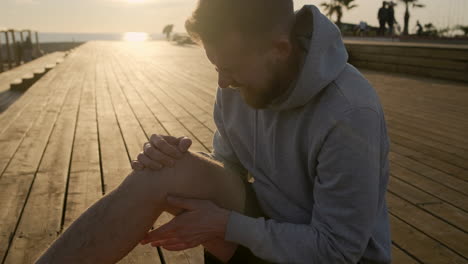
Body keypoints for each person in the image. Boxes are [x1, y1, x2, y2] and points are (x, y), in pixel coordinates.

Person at [36, 1, 392, 263]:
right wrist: (181, 160)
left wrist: (227, 225)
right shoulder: (238, 84)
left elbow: (337, 250)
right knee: (163, 171)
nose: (222, 83)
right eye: (217, 68)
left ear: (280, 49)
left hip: (327, 254)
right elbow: (229, 166)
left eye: (231, 69)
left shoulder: (348, 112)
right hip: (263, 224)